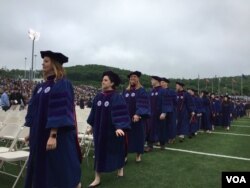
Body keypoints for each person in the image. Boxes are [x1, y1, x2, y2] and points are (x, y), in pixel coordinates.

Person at [24, 50, 82, 188]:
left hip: (55, 134)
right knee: (40, 166)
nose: (43, 63)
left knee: (56, 167)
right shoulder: (40, 87)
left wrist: (53, 134)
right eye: (43, 61)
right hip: (39, 134)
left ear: (55, 64)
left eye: (46, 61)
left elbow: (60, 110)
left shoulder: (62, 83)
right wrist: (32, 132)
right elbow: (35, 110)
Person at [87, 70, 131, 187]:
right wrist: (91, 126)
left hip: (112, 132)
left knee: (117, 150)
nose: (103, 82)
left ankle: (120, 168)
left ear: (112, 83)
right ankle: (97, 178)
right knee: (99, 152)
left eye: (105, 80)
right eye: (102, 80)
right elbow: (94, 113)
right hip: (99, 131)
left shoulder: (117, 97)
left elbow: (121, 113)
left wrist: (120, 127)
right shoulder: (98, 97)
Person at [123, 71, 150, 163]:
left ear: (138, 79)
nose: (132, 78)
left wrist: (138, 113)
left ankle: (138, 155)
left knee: (139, 136)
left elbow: (143, 104)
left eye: (134, 76)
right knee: (125, 137)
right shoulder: (126, 91)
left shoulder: (141, 90)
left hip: (137, 119)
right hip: (126, 119)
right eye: (131, 77)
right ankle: (125, 155)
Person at [145, 76, 167, 151]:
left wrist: (164, 112)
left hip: (160, 114)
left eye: (152, 80)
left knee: (161, 129)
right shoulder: (151, 91)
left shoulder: (163, 91)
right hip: (151, 114)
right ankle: (149, 146)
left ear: (157, 81)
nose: (151, 81)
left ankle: (162, 144)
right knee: (150, 128)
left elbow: (166, 102)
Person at [160, 78, 177, 145]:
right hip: (161, 110)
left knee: (171, 124)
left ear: (166, 83)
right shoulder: (159, 91)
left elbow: (175, 101)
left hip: (171, 110)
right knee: (163, 125)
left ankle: (171, 137)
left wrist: (171, 108)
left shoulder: (171, 91)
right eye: (161, 82)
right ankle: (164, 138)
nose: (161, 83)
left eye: (163, 82)